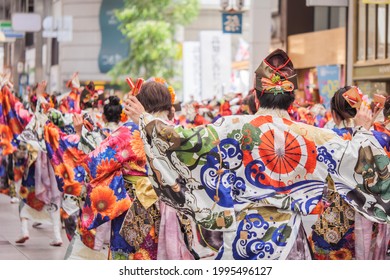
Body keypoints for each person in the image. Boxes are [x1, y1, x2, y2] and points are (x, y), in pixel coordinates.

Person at [124, 49, 390, 260]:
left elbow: (180, 141)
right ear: (293, 99)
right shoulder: (315, 135)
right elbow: (360, 162)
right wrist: (364, 130)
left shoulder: (231, 128)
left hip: (240, 237)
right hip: (291, 241)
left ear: (256, 94)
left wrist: (144, 119)